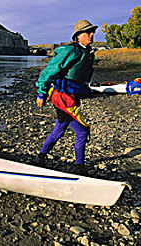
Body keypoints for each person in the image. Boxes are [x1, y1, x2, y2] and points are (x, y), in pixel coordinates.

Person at [34, 19, 97, 175]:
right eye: (88, 32)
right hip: (62, 99)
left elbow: (79, 78)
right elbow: (50, 71)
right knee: (82, 132)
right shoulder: (70, 51)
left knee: (59, 130)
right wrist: (41, 93)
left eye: (92, 31)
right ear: (78, 35)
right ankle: (80, 169)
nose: (92, 34)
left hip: (72, 98)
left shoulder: (87, 53)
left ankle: (39, 159)